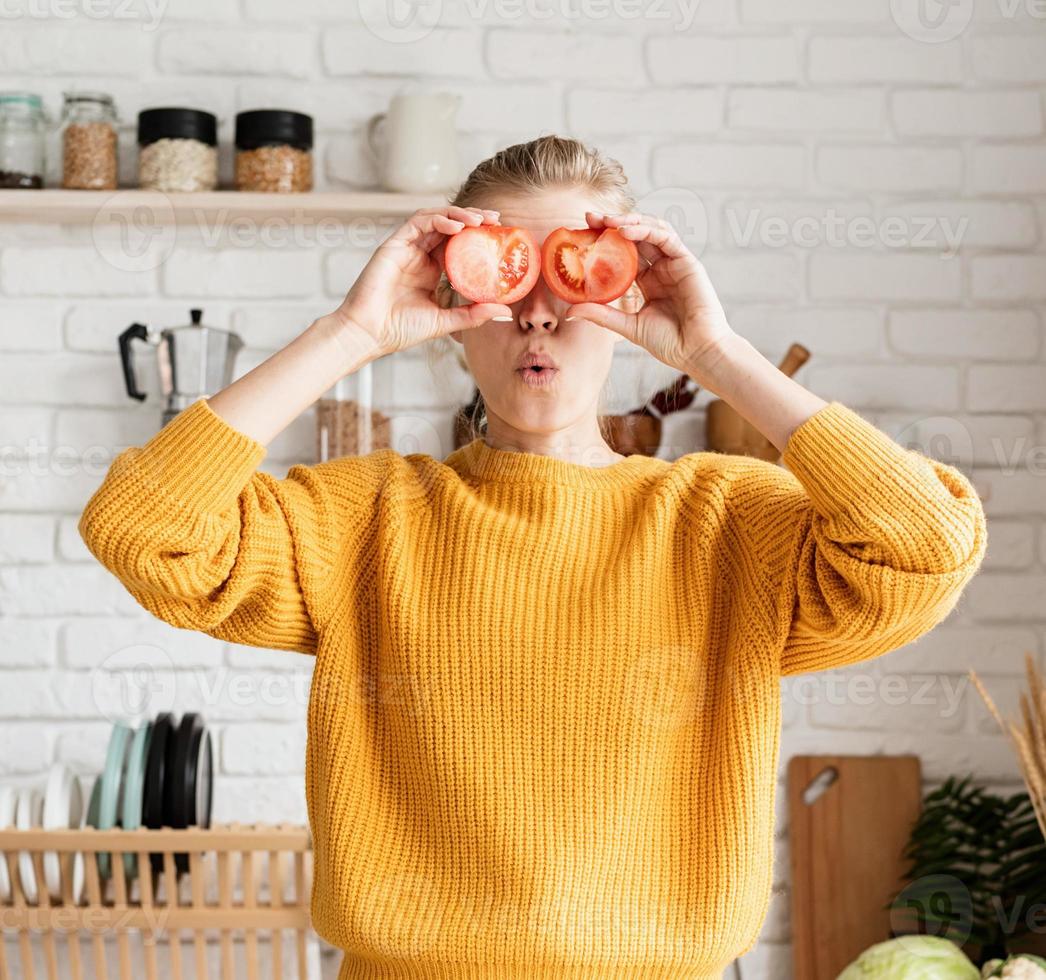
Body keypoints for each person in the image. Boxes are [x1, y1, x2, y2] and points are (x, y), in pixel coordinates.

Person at [79, 135, 988, 979]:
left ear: (630, 300)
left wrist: (716, 350)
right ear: (452, 310)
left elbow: (927, 548)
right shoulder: (363, 518)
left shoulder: (725, 523)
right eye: (507, 285)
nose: (541, 318)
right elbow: (141, 527)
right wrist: (349, 333)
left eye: (580, 278)